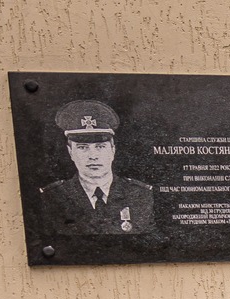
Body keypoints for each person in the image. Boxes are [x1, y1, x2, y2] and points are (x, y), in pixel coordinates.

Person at [37, 100, 154, 235]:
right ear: (70, 152)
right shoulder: (52, 198)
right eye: (82, 148)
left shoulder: (140, 195)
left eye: (100, 146)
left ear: (113, 150)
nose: (93, 156)